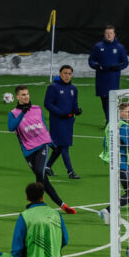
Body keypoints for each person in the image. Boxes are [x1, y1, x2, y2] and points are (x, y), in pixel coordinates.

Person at [7, 86, 76, 214]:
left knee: (39, 171)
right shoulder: (13, 113)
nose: (26, 96)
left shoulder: (37, 109)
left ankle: (36, 204)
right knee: (43, 178)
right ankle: (62, 204)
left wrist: (51, 143)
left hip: (42, 145)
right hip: (28, 150)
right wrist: (23, 113)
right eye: (22, 95)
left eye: (27, 94)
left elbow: (43, 126)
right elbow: (11, 127)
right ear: (17, 97)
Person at [44, 65, 82, 180]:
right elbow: (48, 104)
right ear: (60, 74)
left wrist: (77, 111)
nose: (67, 76)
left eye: (70, 74)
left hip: (69, 121)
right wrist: (60, 113)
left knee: (59, 147)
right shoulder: (53, 87)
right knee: (64, 146)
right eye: (65, 73)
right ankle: (70, 172)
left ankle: (47, 166)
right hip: (58, 121)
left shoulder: (73, 89)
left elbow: (74, 104)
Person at [88, 24, 129, 121]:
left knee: (112, 100)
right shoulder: (98, 47)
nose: (109, 35)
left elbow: (126, 62)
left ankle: (112, 121)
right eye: (107, 33)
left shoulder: (120, 47)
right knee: (104, 101)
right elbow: (91, 61)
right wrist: (97, 66)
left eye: (111, 33)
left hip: (113, 78)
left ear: (114, 34)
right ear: (104, 34)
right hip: (101, 78)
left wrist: (118, 68)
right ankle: (109, 120)